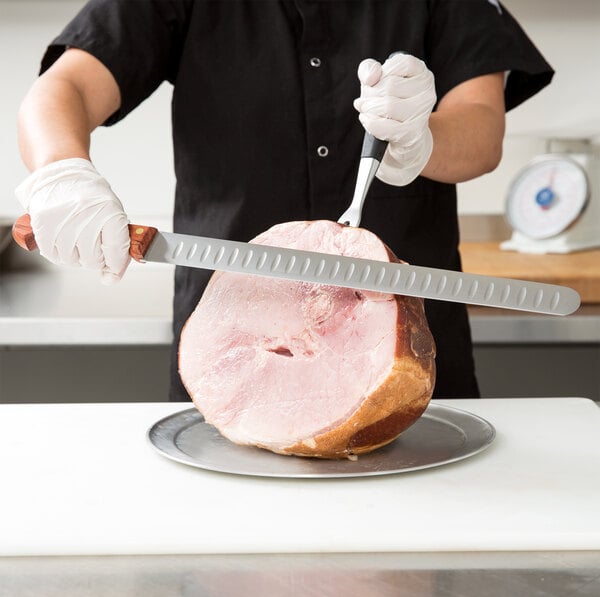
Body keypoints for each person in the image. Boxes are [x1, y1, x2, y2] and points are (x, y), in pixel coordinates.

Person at [15, 0, 553, 402]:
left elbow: (482, 130)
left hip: (410, 356)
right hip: (233, 360)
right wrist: (62, 173)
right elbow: (66, 90)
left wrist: (423, 140)